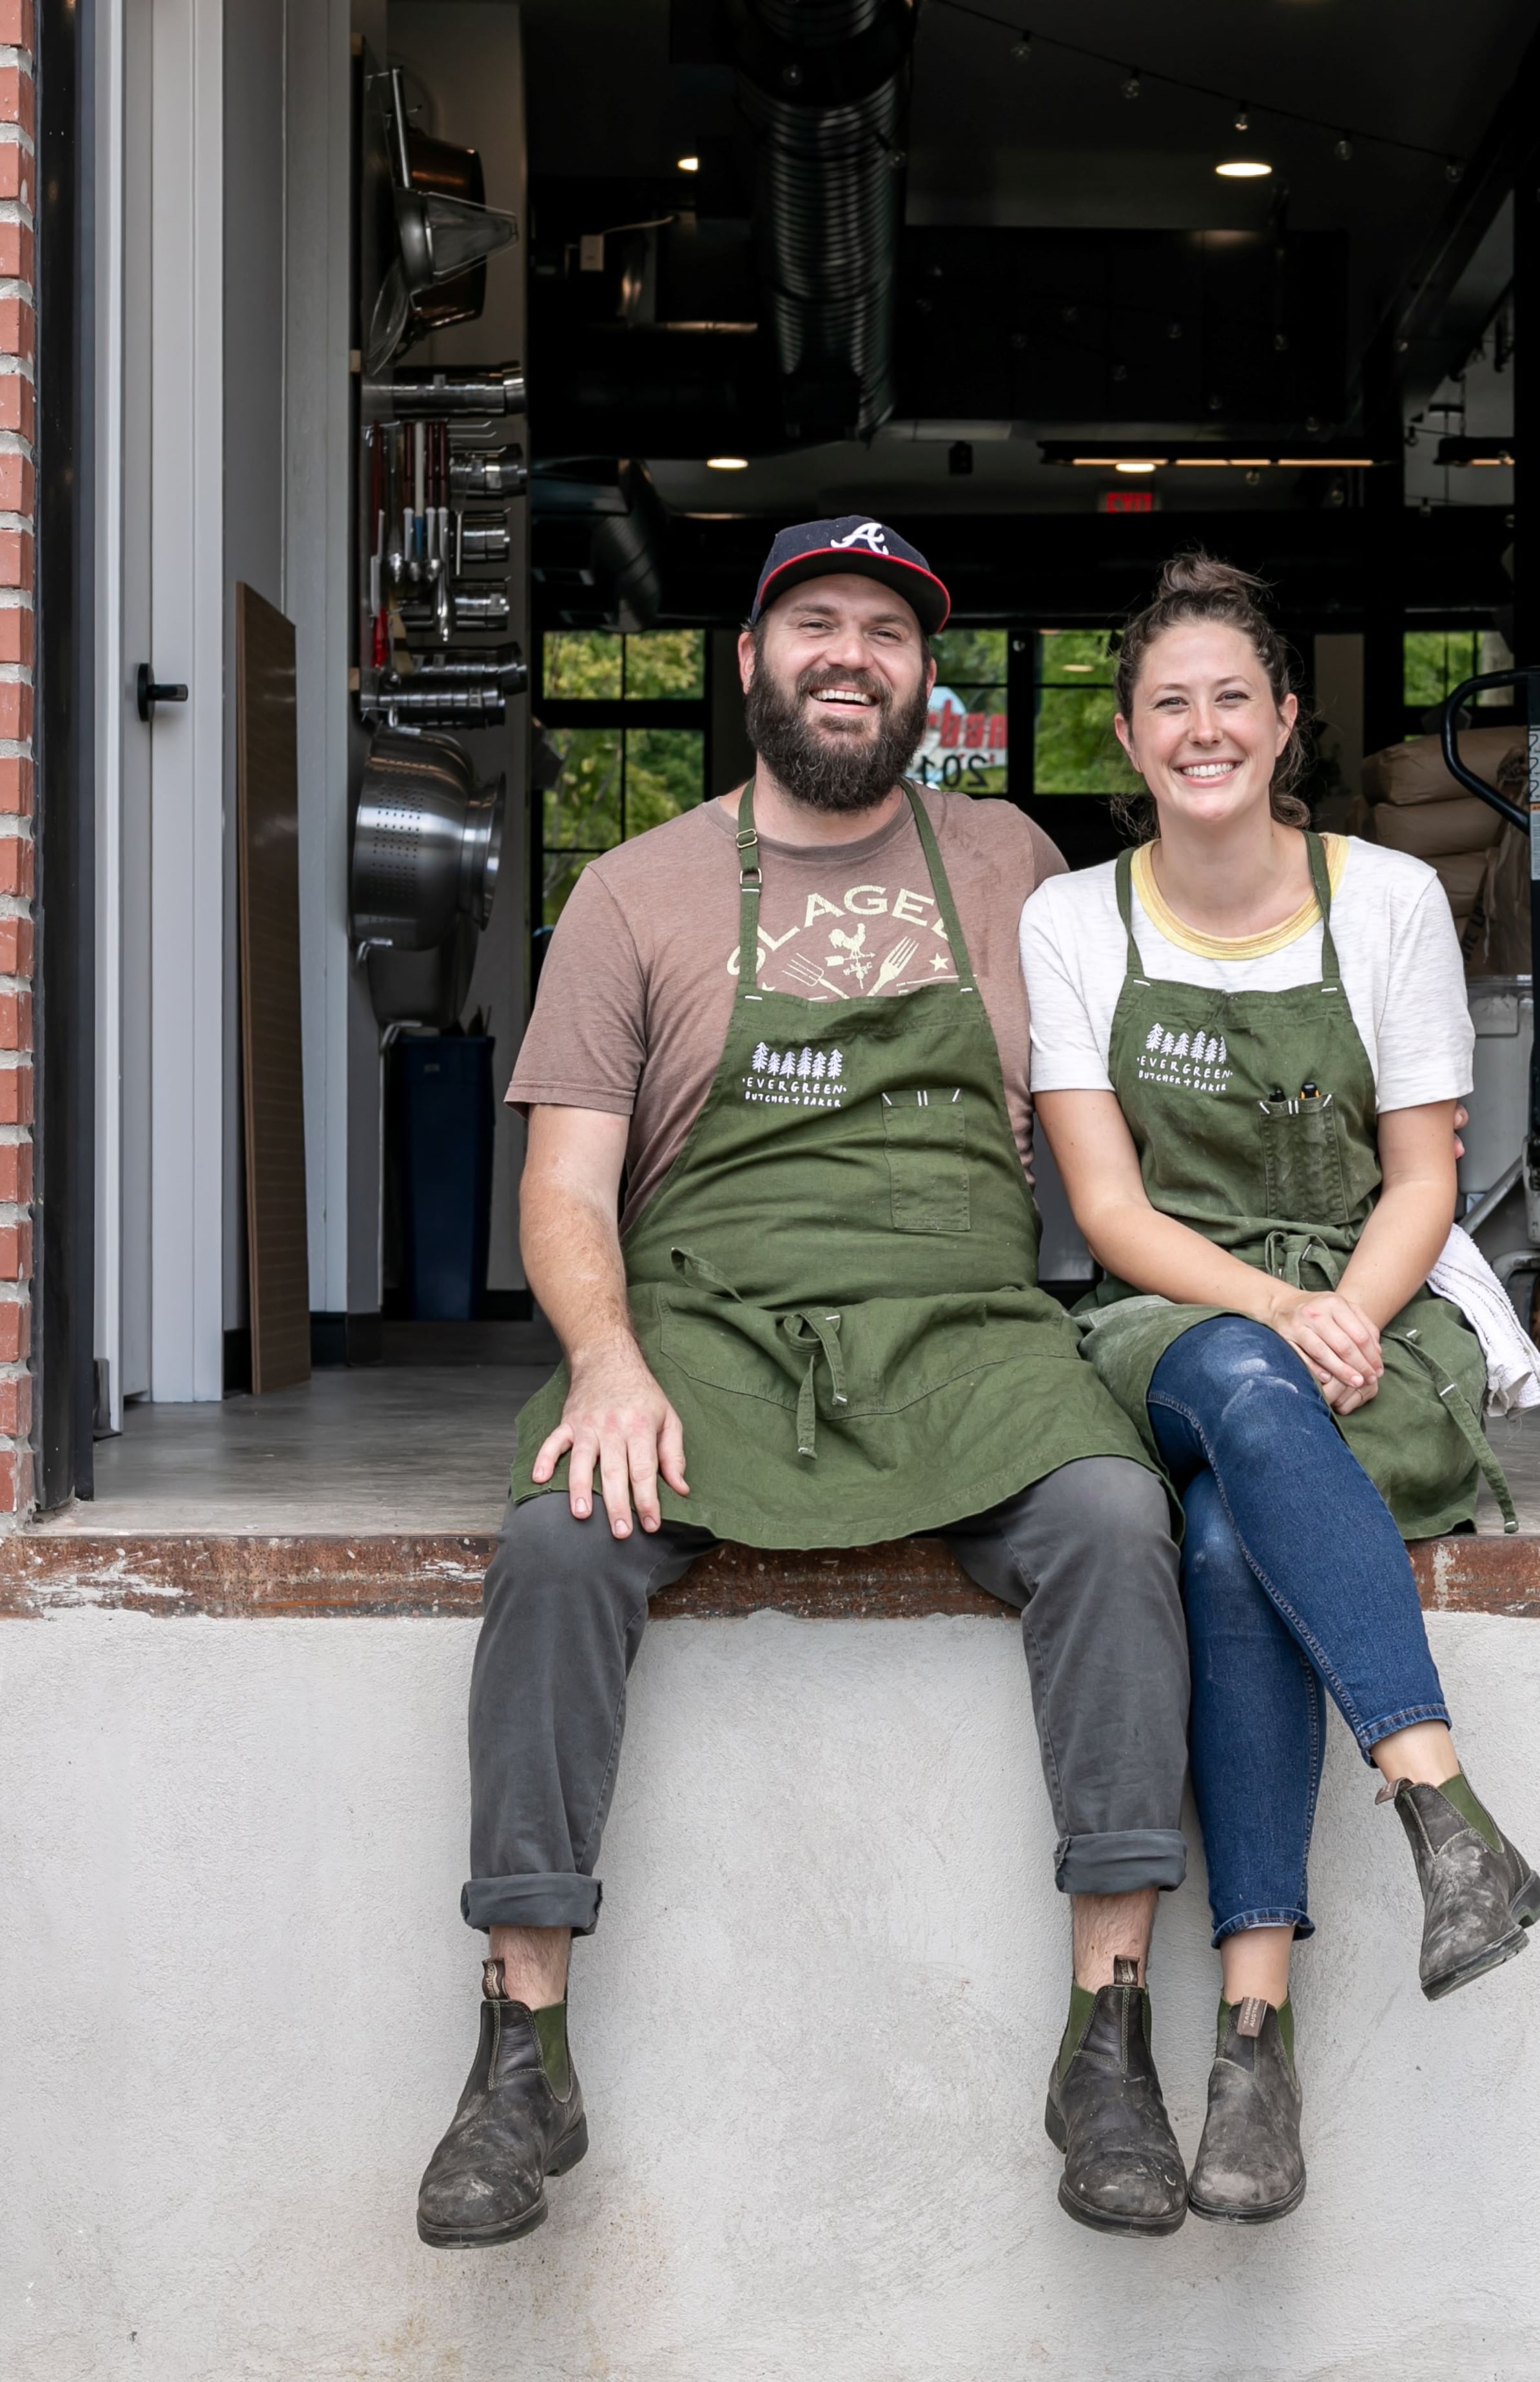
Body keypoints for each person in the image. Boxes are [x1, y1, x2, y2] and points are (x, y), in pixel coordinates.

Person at [416, 519, 1203, 2249]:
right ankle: (519, 2049)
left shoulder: (1017, 866)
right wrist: (606, 1362)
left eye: (888, 633)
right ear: (752, 661)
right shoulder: (632, 891)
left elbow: (1139, 1069)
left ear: (925, 680)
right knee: (557, 1542)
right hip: (712, 1328)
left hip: (967, 1326)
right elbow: (564, 1189)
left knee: (1114, 1519)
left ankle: (1112, 2037)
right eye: (815, 623)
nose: (850, 655)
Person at [1020, 552, 1540, 2227]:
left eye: (1232, 699)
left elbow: (1424, 1177)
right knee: (1249, 1390)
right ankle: (1440, 1802)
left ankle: (1255, 2044)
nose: (1204, 730)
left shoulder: (1387, 899)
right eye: (1169, 704)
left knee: (1229, 1544)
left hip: (1374, 1298)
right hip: (1174, 1313)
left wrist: (1352, 1313)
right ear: (1128, 736)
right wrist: (1278, 1309)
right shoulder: (1074, 920)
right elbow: (1108, 1211)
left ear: (1285, 719)